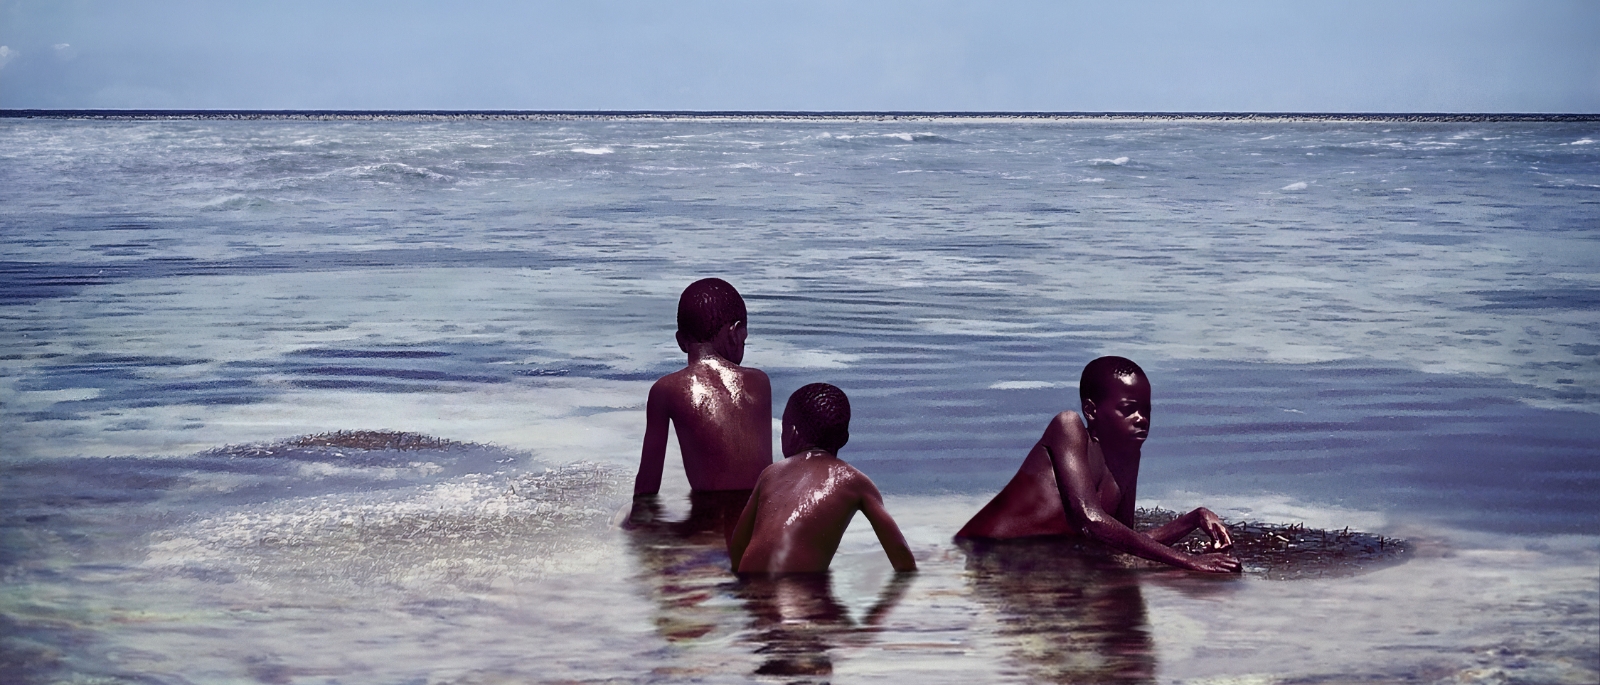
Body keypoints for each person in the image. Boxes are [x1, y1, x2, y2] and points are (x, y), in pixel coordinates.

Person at [955, 356, 1240, 573]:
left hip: (1037, 563)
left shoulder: (1129, 454)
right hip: (981, 555)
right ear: (1091, 411)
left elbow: (1122, 541)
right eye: (1129, 409)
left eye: (1146, 410)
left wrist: (1193, 519)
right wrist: (1189, 561)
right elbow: (1089, 520)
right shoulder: (1068, 427)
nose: (1141, 418)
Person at [630, 278, 774, 532]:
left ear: (680, 341)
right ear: (736, 332)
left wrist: (636, 528)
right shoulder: (759, 382)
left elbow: (647, 486)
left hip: (708, 526)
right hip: (760, 523)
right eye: (745, 340)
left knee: (626, 520)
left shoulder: (665, 390)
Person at [729, 383, 916, 574]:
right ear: (844, 438)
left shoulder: (770, 473)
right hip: (800, 594)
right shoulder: (855, 481)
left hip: (752, 588)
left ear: (792, 433)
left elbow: (738, 545)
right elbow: (899, 551)